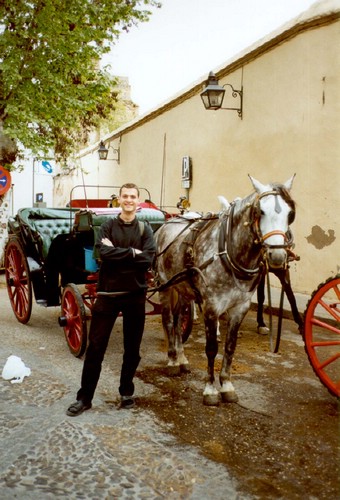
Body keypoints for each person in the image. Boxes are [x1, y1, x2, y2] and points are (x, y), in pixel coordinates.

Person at [66, 183, 156, 416]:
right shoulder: (107, 226)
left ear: (138, 201)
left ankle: (126, 391)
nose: (128, 200)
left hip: (135, 295)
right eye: (125, 196)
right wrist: (132, 253)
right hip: (107, 295)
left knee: (132, 349)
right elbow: (102, 253)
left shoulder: (146, 230)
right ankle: (84, 398)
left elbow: (147, 260)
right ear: (119, 200)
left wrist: (120, 253)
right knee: (96, 348)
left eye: (133, 197)